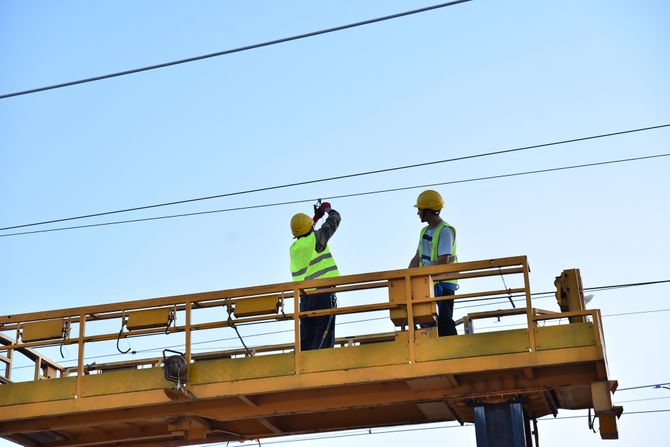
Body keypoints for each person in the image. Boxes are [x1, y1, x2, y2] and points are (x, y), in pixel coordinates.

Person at [289, 202, 341, 350]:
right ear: (310, 227)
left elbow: (307, 234)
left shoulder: (295, 248)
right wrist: (327, 209)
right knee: (323, 341)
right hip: (323, 295)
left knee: (306, 342)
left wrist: (316, 218)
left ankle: (301, 369)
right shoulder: (317, 239)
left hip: (305, 299)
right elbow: (335, 219)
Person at [409, 190, 458, 336]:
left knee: (444, 322)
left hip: (443, 283)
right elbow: (417, 257)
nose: (418, 213)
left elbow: (443, 261)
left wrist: (422, 275)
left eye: (419, 209)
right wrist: (407, 276)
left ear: (427, 211)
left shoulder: (445, 231)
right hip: (427, 282)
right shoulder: (424, 231)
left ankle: (452, 350)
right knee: (426, 321)